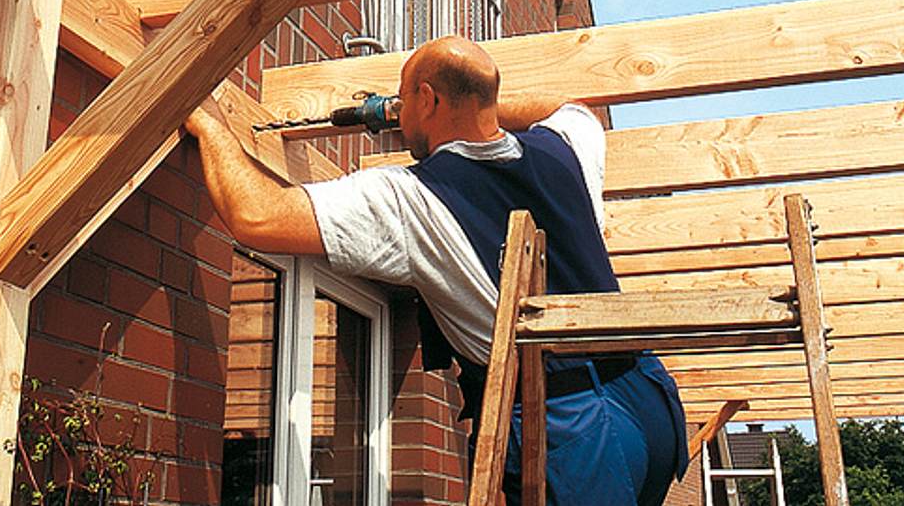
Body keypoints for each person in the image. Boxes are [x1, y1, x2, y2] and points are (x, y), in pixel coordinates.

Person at [185, 36, 688, 505]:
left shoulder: (410, 196)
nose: (399, 112)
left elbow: (257, 215)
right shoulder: (565, 149)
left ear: (427, 98)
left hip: (566, 432)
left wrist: (208, 123)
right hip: (646, 399)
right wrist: (466, 109)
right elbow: (568, 107)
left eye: (406, 99)